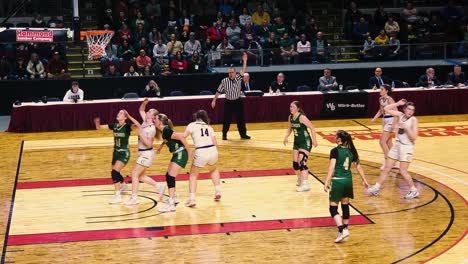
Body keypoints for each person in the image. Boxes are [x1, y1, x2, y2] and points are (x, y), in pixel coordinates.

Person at [367, 99, 420, 199]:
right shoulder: (400, 115)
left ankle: (413, 190)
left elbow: (414, 137)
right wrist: (398, 104)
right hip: (397, 145)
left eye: (412, 110)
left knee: (403, 171)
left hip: (406, 147)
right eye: (408, 109)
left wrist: (407, 128)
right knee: (386, 168)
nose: (410, 111)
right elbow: (386, 109)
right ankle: (377, 187)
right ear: (404, 109)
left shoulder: (413, 120)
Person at [324, 130, 369, 243]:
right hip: (348, 181)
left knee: (333, 208)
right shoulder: (350, 151)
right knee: (345, 205)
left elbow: (332, 167)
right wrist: (364, 180)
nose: (334, 137)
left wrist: (327, 181)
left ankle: (341, 229)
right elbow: (358, 167)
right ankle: (346, 228)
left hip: (338, 180)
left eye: (335, 136)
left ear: (339, 139)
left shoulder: (335, 151)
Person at [125, 99, 166, 205]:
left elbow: (149, 144)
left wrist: (140, 133)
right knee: (141, 176)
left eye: (149, 112)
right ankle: (159, 186)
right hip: (142, 153)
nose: (147, 112)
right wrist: (145, 102)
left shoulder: (151, 129)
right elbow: (141, 109)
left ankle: (134, 198)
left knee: (134, 173)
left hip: (146, 153)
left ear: (152, 117)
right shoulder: (144, 121)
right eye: (148, 111)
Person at [94, 109, 140, 204]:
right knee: (114, 171)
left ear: (125, 117)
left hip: (124, 153)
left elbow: (138, 125)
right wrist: (97, 123)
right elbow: (99, 128)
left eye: (121, 113)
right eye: (118, 113)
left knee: (115, 172)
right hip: (115, 152)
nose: (118, 114)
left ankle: (117, 195)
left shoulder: (127, 127)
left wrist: (130, 116)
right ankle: (123, 185)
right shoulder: (114, 125)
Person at [182, 110, 221, 207]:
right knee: (213, 169)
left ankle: (192, 199)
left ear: (196, 117)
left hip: (201, 151)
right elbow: (215, 142)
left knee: (193, 175)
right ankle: (217, 191)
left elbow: (183, 136)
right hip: (212, 150)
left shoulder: (192, 125)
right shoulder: (209, 127)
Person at [155, 113, 191, 212]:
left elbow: (181, 138)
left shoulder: (166, 130)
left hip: (180, 153)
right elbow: (169, 138)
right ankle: (173, 198)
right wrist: (161, 145)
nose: (154, 120)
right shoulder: (164, 131)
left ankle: (171, 204)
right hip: (176, 153)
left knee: (170, 177)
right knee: (168, 175)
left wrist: (190, 152)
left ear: (160, 121)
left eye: (156, 119)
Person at [211, 52, 250, 140]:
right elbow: (218, 91)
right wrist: (214, 100)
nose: (230, 74)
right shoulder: (224, 81)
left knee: (241, 119)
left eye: (232, 72)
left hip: (237, 101)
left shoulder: (239, 78)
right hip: (228, 102)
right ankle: (224, 134)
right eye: (229, 73)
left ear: (235, 73)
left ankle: (243, 134)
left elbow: (243, 70)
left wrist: (245, 61)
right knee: (226, 119)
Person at [283, 101, 318, 192]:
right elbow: (290, 128)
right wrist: (286, 136)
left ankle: (306, 184)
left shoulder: (301, 117)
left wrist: (314, 140)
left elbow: (312, 127)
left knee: (302, 162)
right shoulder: (290, 117)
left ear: (298, 109)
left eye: (293, 107)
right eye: (290, 107)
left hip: (305, 142)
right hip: (297, 142)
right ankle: (300, 178)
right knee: (295, 164)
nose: (291, 108)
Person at [370, 84, 396, 169]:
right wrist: (374, 118)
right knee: (389, 143)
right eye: (380, 89)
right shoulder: (380, 99)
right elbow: (381, 111)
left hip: (391, 120)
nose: (380, 91)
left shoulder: (390, 99)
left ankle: (388, 162)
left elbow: (397, 113)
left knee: (382, 142)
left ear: (386, 91)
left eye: (381, 89)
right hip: (385, 120)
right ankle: (395, 162)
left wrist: (394, 125)